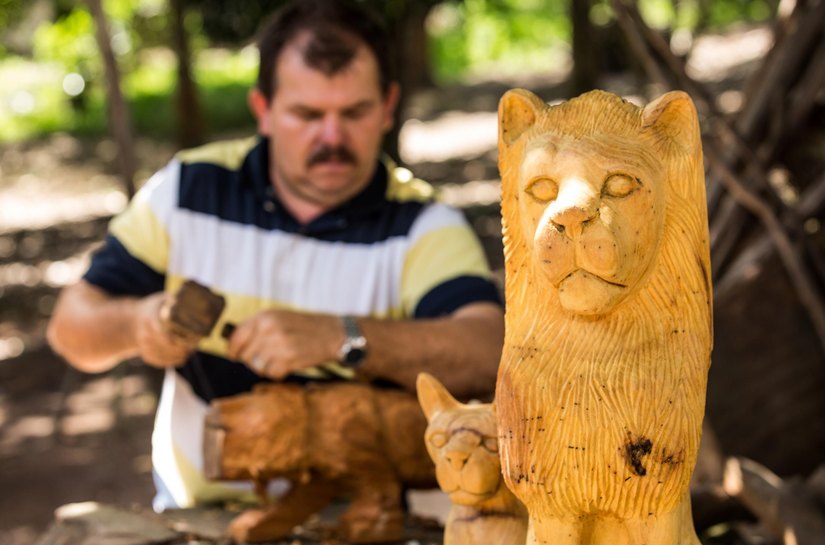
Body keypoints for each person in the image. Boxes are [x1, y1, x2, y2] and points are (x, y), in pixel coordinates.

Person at [47, 0, 504, 511]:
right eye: (307, 114)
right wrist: (137, 324)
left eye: (354, 112)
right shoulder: (187, 191)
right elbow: (70, 330)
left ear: (388, 106)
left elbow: (489, 354)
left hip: (377, 522)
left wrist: (345, 336)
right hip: (204, 517)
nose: (332, 137)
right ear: (262, 110)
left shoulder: (423, 224)